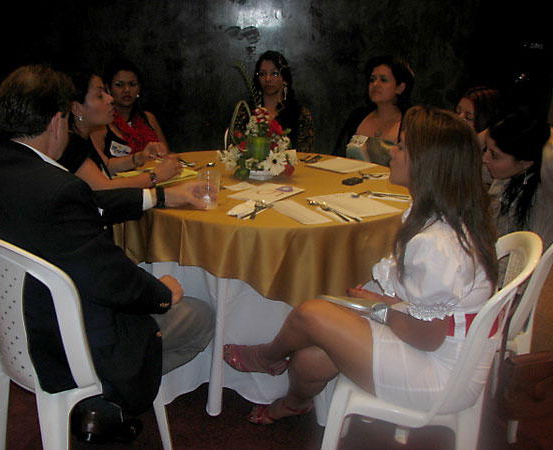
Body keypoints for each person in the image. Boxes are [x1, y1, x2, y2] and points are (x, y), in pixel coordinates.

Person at [0, 65, 215, 443]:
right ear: (56, 122)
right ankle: (103, 400)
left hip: (11, 331)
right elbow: (109, 277)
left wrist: (158, 196)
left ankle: (94, 403)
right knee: (200, 315)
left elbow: (87, 206)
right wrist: (161, 293)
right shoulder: (57, 189)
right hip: (66, 348)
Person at [224, 105, 499, 425]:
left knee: (311, 313)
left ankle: (266, 357)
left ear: (427, 165)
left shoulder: (437, 243)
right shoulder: (447, 216)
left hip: (441, 374)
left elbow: (428, 338)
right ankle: (294, 404)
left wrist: (381, 309)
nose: (392, 152)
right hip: (443, 350)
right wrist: (383, 304)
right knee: (311, 359)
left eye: (402, 147)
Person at [58, 69, 181, 191]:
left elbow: (107, 165)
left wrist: (140, 157)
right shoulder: (70, 145)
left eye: (106, 93)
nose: (110, 99)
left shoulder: (82, 136)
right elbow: (104, 187)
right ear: (77, 108)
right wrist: (155, 176)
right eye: (100, 96)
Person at [483, 112, 552, 250]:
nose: (485, 159)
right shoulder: (508, 173)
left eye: (494, 155)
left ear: (525, 163)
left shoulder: (543, 195)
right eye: (486, 149)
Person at [333, 55, 415, 166]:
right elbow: (336, 157)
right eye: (372, 79)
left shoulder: (410, 123)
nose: (375, 85)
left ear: (400, 88)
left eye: (383, 80)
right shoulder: (358, 116)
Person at [233, 50, 314, 152]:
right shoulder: (246, 111)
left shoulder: (300, 114)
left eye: (274, 73)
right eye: (262, 74)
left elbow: (305, 155)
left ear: (285, 79)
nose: (268, 79)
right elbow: (234, 148)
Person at [91, 58, 170, 159]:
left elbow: (167, 155)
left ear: (139, 88)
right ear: (108, 88)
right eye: (119, 85)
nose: (127, 90)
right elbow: (99, 165)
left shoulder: (148, 118)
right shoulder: (101, 124)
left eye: (132, 84)